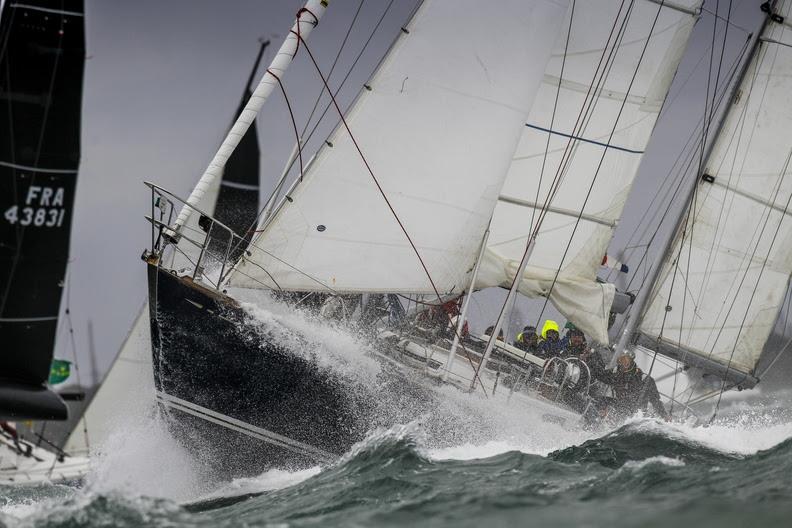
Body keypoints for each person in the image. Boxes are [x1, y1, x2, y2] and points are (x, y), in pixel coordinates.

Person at [605, 353, 670, 421]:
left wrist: (664, 415)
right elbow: (600, 374)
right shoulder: (616, 375)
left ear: (631, 362)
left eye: (626, 362)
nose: (623, 365)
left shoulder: (646, 380)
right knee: (599, 401)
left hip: (636, 415)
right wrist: (594, 354)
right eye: (621, 362)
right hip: (620, 411)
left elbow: (655, 401)